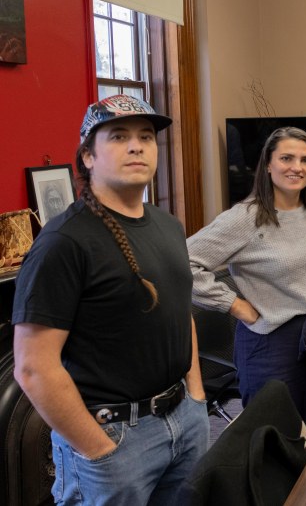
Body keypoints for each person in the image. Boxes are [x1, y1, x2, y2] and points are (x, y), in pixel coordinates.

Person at [13, 95, 209, 505]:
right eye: (119, 137)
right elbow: (34, 368)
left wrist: (195, 395)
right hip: (113, 439)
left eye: (146, 137)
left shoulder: (168, 225)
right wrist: (99, 449)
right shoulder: (64, 242)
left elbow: (178, 313)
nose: (137, 146)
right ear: (88, 156)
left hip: (184, 421)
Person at [188, 127, 306, 442]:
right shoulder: (245, 218)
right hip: (271, 343)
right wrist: (235, 306)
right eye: (287, 158)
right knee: (273, 439)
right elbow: (184, 264)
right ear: (268, 164)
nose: (298, 167)